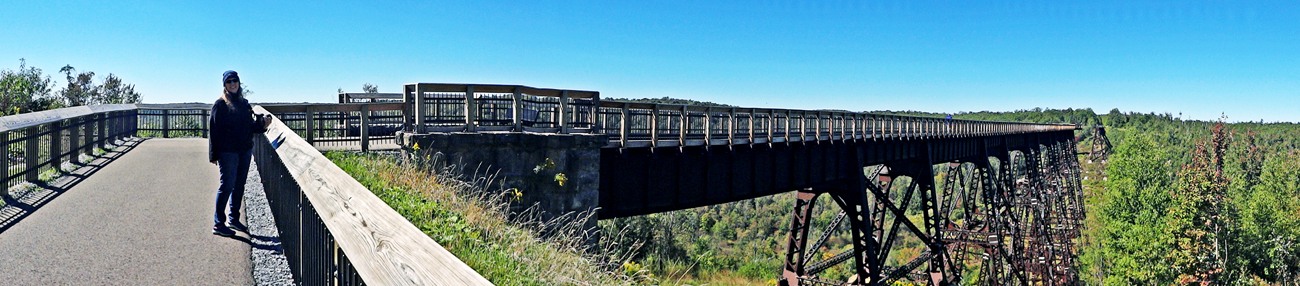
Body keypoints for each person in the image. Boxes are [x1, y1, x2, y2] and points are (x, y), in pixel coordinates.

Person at [209, 70, 271, 237]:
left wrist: (263, 125)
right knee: (227, 185)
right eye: (229, 82)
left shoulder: (244, 104)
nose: (232, 84)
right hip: (227, 152)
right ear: (225, 85)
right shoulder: (220, 105)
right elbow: (214, 131)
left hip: (244, 150)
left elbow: (251, 127)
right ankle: (218, 224)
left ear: (239, 82)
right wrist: (213, 155)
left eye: (234, 81)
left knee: (239, 185)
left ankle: (233, 219)